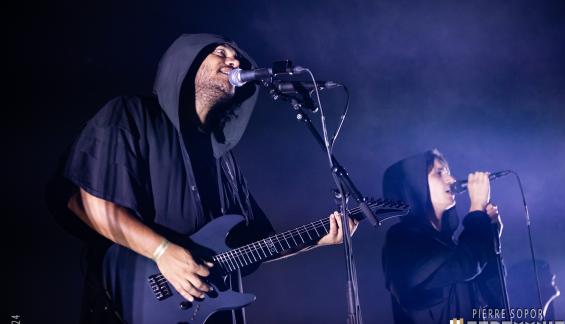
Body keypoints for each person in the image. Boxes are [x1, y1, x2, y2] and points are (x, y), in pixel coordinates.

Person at [46, 33, 356, 324]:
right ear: (185, 63)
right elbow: (83, 202)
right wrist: (162, 251)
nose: (234, 62)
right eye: (221, 52)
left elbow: (251, 245)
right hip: (131, 304)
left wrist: (317, 240)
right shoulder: (131, 114)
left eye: (237, 58)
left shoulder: (222, 155)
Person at [381, 149, 506, 323]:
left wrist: (491, 235)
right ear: (415, 185)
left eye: (448, 172)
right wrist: (477, 209)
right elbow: (465, 265)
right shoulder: (400, 239)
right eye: (440, 173)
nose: (452, 179)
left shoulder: (453, 245)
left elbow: (494, 299)